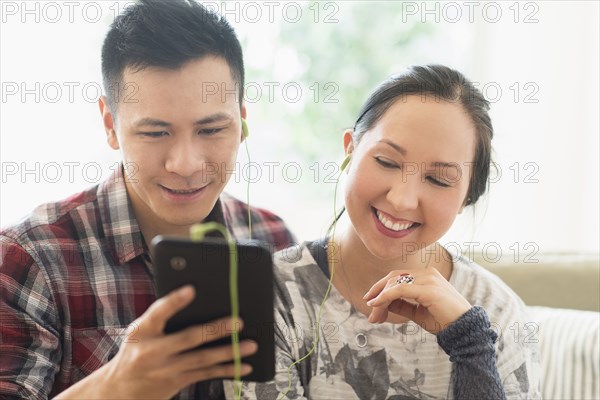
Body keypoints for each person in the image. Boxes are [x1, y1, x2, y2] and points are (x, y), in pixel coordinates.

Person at [0, 0, 296, 399]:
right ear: (110, 124)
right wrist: (119, 385)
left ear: (242, 120)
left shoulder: (273, 239)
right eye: (156, 133)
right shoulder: (30, 258)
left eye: (211, 130)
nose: (186, 164)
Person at [226, 65, 541, 399]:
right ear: (350, 149)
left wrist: (471, 346)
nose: (402, 200)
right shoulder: (268, 294)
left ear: (467, 198)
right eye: (387, 162)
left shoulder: (498, 314)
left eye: (438, 180)